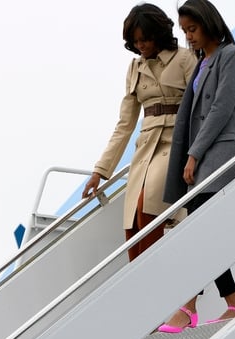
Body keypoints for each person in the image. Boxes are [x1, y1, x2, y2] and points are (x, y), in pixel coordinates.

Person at [82, 3, 197, 262]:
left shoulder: (184, 59)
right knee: (132, 222)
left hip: (176, 141)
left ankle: (153, 280)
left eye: (144, 39)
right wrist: (100, 171)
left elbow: (200, 107)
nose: (140, 45)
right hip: (145, 147)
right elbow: (125, 123)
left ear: (158, 33)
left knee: (149, 207)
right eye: (135, 41)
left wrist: (196, 152)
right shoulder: (135, 68)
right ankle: (138, 288)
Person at [159, 0, 235, 333]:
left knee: (202, 232)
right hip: (203, 157)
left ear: (209, 23)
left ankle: (189, 307)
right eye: (184, 31)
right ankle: (234, 304)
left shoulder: (231, 57)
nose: (188, 37)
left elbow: (221, 110)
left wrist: (193, 154)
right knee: (205, 234)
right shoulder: (202, 62)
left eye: (192, 29)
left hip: (220, 155)